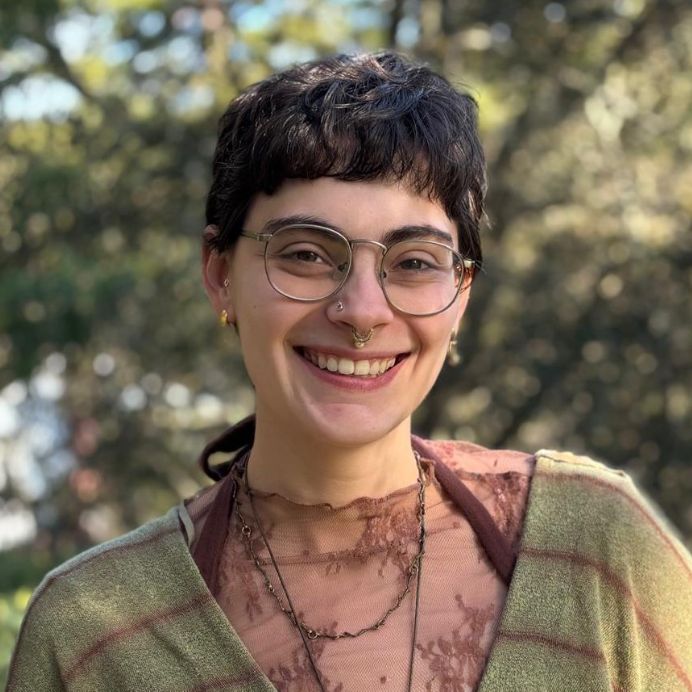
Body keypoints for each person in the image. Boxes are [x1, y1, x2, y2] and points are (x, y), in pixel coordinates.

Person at [7, 52, 691, 692]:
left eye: (415, 262)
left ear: (461, 296)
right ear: (220, 275)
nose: (362, 312)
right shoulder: (93, 634)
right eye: (306, 254)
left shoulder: (595, 549)